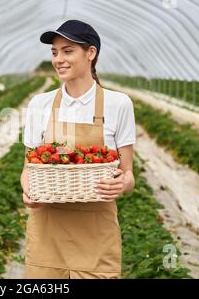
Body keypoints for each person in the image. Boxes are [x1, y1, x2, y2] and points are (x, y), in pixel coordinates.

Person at [20, 19, 136, 279]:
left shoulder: (118, 104)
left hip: (96, 234)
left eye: (67, 50)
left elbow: (127, 174)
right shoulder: (40, 104)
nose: (58, 59)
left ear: (91, 53)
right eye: (54, 52)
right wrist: (28, 191)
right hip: (47, 233)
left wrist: (123, 184)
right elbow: (28, 168)